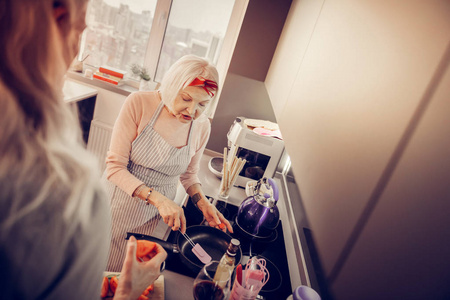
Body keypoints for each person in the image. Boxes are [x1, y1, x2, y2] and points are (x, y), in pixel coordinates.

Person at [0, 0, 166, 299]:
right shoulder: (71, 198)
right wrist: (127, 292)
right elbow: (115, 166)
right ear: (57, 24)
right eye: (81, 27)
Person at [104, 54, 233, 271]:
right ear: (171, 87)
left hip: (160, 216)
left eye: (203, 104)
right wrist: (159, 200)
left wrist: (203, 203)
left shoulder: (202, 127)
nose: (192, 111)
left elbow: (189, 175)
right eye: (185, 98)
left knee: (137, 275)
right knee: (106, 272)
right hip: (118, 207)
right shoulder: (139, 103)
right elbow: (114, 167)